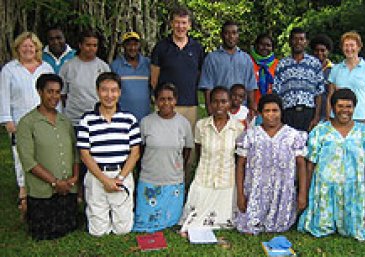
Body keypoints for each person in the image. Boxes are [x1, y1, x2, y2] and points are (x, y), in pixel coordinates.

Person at [298, 88, 365, 241]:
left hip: (353, 189)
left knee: (352, 230)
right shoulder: (320, 131)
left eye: (349, 106)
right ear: (333, 108)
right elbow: (310, 165)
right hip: (326, 188)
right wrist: (305, 193)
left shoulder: (363, 132)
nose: (344, 110)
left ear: (354, 108)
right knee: (321, 227)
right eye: (340, 106)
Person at [77, 72, 140, 236]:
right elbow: (84, 154)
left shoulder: (129, 119)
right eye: (105, 90)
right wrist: (105, 180)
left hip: (122, 174)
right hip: (97, 175)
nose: (109, 95)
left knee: (123, 230)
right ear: (98, 91)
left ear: (119, 92)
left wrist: (119, 179)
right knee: (98, 231)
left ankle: (117, 216)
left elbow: (135, 153)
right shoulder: (87, 120)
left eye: (114, 90)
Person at [16, 73, 78, 240]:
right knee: (44, 232)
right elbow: (28, 161)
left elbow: (75, 153)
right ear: (39, 92)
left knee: (70, 227)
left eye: (58, 92)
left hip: (67, 189)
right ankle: (26, 209)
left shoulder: (65, 122)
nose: (54, 96)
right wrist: (54, 182)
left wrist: (74, 178)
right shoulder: (27, 123)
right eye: (50, 91)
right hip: (43, 192)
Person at [235, 94, 307, 235]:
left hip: (282, 190)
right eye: (267, 111)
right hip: (256, 189)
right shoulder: (251, 135)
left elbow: (301, 165)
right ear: (261, 113)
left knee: (281, 226)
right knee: (249, 225)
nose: (271, 115)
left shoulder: (293, 135)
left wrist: (302, 194)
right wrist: (240, 195)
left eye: (275, 110)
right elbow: (240, 166)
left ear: (281, 112)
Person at [0, 32, 54, 215]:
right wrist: (7, 120)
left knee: (44, 154)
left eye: (31, 46)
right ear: (18, 48)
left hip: (44, 118)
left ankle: (45, 187)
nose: (28, 49)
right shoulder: (9, 70)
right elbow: (4, 96)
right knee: (21, 156)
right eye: (24, 46)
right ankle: (23, 190)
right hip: (20, 120)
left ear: (37, 48)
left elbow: (54, 94)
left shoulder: (46, 68)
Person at [179, 86, 244, 233]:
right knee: (194, 220)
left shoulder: (238, 128)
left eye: (223, 102)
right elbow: (199, 151)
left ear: (229, 103)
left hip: (226, 181)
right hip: (204, 179)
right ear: (210, 103)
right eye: (215, 102)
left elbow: (238, 158)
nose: (219, 106)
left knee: (225, 221)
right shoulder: (201, 125)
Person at [132, 83, 194, 232]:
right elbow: (139, 151)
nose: (166, 103)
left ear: (176, 100)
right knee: (144, 220)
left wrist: (179, 168)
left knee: (173, 220)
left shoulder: (183, 123)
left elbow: (187, 150)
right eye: (162, 99)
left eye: (170, 99)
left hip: (173, 180)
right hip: (149, 179)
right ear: (155, 100)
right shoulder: (146, 122)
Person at [150, 6, 204, 129]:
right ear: (171, 24)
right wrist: (161, 101)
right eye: (177, 22)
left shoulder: (197, 48)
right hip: (165, 104)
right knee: (165, 142)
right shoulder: (161, 47)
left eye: (184, 23)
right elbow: (154, 79)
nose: (180, 27)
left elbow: (199, 75)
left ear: (189, 25)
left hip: (190, 104)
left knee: (187, 144)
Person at [199, 21, 258, 115]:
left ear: (238, 35)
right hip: (220, 109)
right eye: (227, 33)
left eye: (234, 33)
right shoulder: (212, 58)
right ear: (222, 35)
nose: (231, 36)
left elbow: (250, 87)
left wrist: (251, 109)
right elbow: (208, 87)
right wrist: (210, 111)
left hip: (241, 111)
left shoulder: (246, 58)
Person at [272, 27, 325, 132]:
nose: (298, 42)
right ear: (290, 42)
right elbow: (276, 93)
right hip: (288, 112)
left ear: (306, 42)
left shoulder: (314, 64)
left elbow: (319, 93)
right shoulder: (282, 64)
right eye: (295, 39)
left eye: (301, 39)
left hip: (308, 112)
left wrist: (316, 117)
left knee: (307, 145)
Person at [60, 29, 110, 126]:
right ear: (80, 45)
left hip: (97, 119)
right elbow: (63, 94)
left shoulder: (103, 67)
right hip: (74, 120)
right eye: (88, 45)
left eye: (94, 45)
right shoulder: (68, 66)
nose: (91, 48)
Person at [326, 31, 365, 123]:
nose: (349, 48)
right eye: (346, 45)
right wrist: (328, 116)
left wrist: (364, 112)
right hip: (338, 117)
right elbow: (330, 96)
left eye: (352, 45)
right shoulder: (335, 69)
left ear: (358, 47)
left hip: (359, 118)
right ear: (342, 48)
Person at [111, 31, 151, 123]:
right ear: (123, 46)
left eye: (135, 44)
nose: (132, 48)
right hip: (122, 118)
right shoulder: (115, 66)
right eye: (129, 45)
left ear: (139, 45)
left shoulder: (147, 64)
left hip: (145, 117)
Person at [42, 27, 76, 112]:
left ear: (65, 38)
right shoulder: (40, 57)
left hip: (70, 105)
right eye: (51, 39)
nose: (55, 42)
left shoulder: (76, 56)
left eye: (59, 38)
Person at [310, 34, 334, 121]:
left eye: (323, 50)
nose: (320, 53)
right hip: (310, 115)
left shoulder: (334, 70)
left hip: (328, 115)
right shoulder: (308, 70)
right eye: (317, 50)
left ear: (328, 51)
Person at [250, 34, 279, 105]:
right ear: (256, 46)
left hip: (272, 107)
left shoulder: (278, 64)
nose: (265, 47)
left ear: (272, 48)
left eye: (268, 45)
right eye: (262, 44)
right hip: (252, 108)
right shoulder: (248, 62)